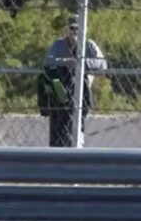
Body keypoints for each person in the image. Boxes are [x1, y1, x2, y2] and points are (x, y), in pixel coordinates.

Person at [40, 14, 106, 148]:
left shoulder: (89, 45)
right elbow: (47, 62)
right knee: (47, 76)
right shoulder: (59, 44)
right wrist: (64, 62)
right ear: (67, 29)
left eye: (78, 28)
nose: (75, 32)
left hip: (81, 89)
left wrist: (79, 63)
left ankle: (76, 129)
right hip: (61, 89)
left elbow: (102, 65)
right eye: (72, 28)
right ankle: (48, 108)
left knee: (76, 76)